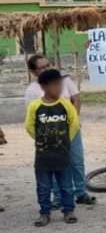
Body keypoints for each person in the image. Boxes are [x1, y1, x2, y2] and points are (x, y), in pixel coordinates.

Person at [24, 55, 96, 207]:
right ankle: (58, 197)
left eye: (47, 65)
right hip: (49, 136)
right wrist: (40, 137)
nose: (46, 69)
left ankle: (81, 192)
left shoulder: (64, 81)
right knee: (54, 164)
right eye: (41, 67)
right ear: (33, 71)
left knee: (76, 161)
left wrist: (73, 123)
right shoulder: (32, 91)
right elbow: (32, 117)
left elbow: (76, 99)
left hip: (71, 130)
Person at [25, 69, 80, 226]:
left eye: (59, 85)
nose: (59, 88)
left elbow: (74, 122)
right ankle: (44, 213)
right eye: (54, 85)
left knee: (66, 185)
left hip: (62, 154)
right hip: (43, 156)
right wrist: (41, 139)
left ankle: (69, 210)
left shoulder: (65, 104)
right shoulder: (35, 106)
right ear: (44, 87)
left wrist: (65, 140)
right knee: (43, 187)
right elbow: (29, 126)